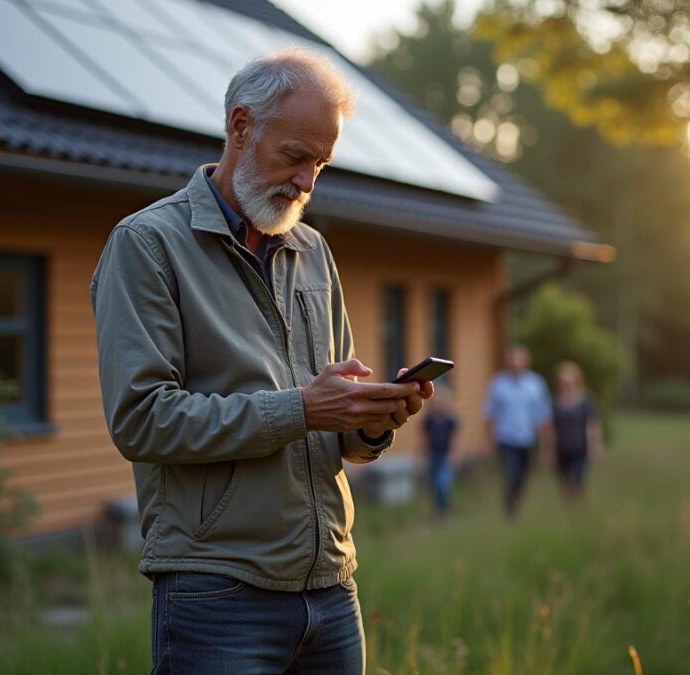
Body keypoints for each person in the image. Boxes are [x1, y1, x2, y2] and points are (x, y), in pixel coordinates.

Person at [90, 49, 433, 675]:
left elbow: (336, 429)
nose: (307, 182)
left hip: (331, 585)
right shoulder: (146, 245)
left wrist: (373, 422)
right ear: (241, 127)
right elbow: (141, 420)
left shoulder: (312, 249)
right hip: (216, 591)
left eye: (321, 164)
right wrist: (303, 409)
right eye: (295, 156)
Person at [482, 345, 552, 517]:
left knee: (522, 477)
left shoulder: (536, 384)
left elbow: (544, 416)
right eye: (512, 361)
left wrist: (546, 446)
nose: (515, 364)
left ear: (526, 363)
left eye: (519, 361)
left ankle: (517, 503)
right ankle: (510, 510)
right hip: (506, 438)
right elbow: (490, 414)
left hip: (527, 438)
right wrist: (489, 440)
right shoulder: (498, 384)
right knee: (511, 475)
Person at [550, 361, 603, 499]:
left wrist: (595, 447)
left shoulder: (586, 399)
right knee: (564, 483)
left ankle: (578, 508)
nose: (566, 384)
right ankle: (568, 509)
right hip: (561, 448)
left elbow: (592, 425)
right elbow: (550, 428)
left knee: (578, 480)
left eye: (569, 380)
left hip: (580, 448)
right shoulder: (554, 401)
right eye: (563, 381)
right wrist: (549, 450)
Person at [422, 384, 458, 517]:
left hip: (445, 456)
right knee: (433, 484)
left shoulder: (450, 420)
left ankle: (445, 508)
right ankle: (436, 509)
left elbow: (454, 439)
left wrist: (453, 454)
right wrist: (423, 453)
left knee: (443, 483)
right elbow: (425, 437)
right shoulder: (429, 420)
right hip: (433, 455)